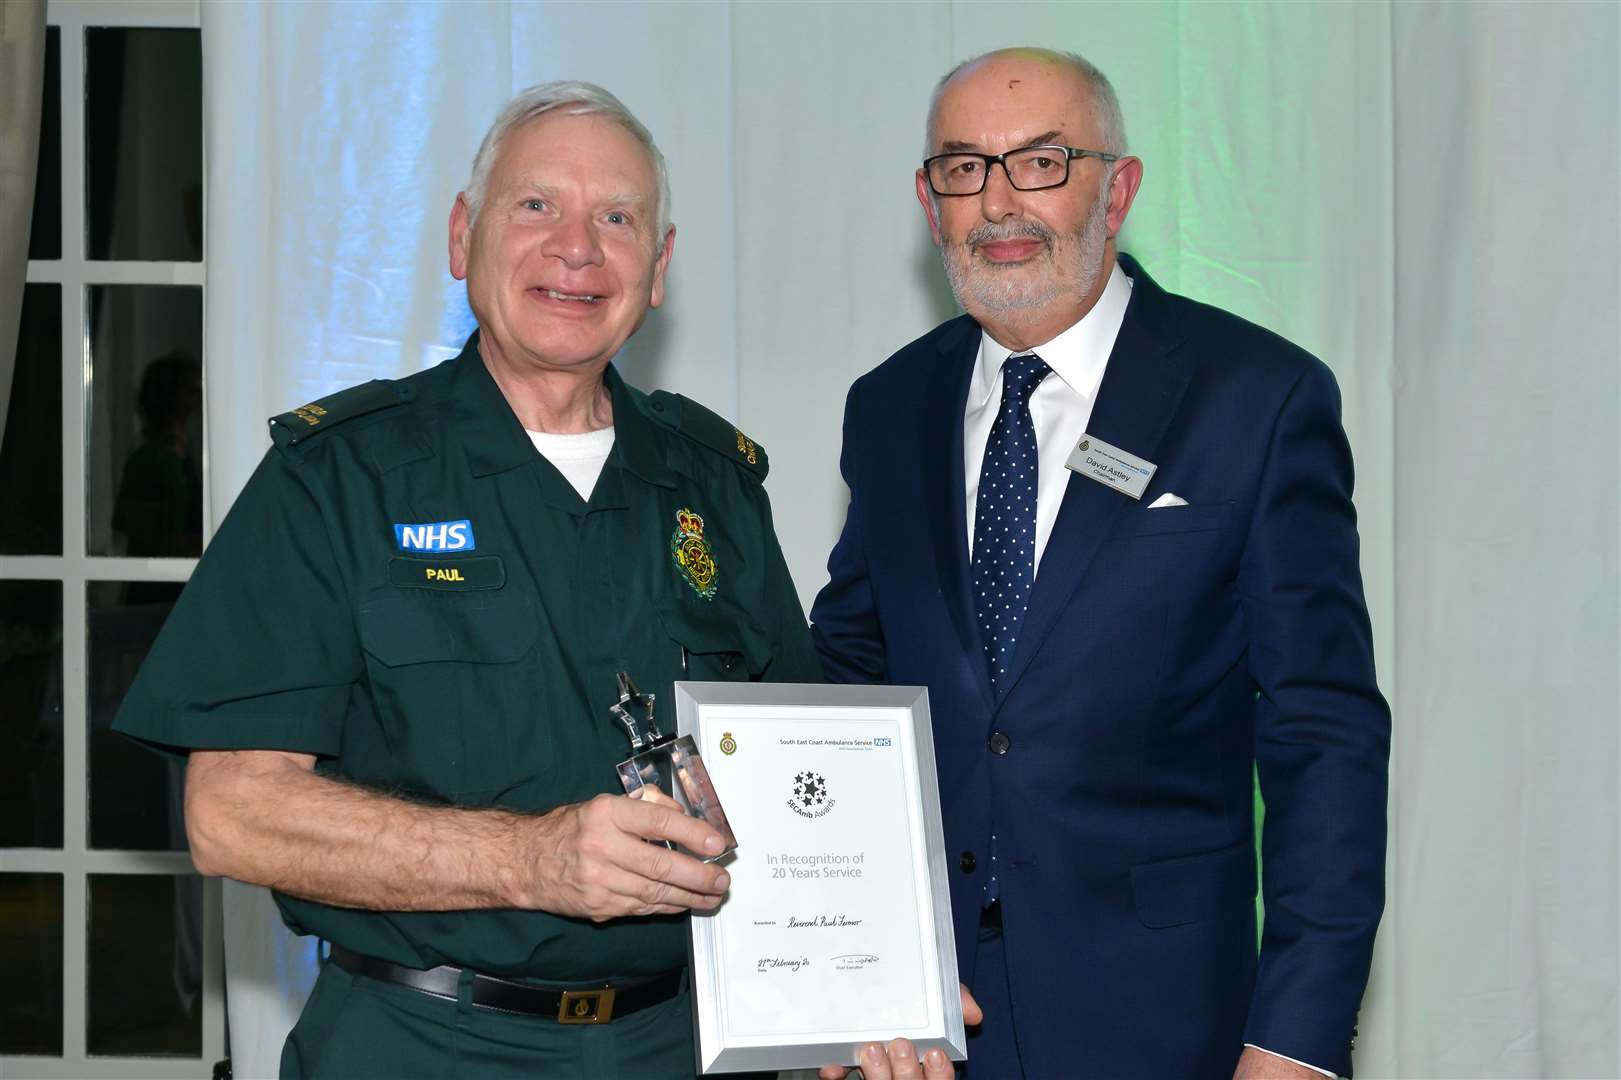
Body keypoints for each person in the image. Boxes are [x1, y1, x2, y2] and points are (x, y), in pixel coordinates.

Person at [114, 81, 824, 1079]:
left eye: (617, 217)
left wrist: (872, 986)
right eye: (536, 205)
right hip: (420, 1040)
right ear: (462, 237)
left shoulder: (714, 485)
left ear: (657, 267)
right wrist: (531, 859)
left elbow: (808, 787)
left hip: (684, 1040)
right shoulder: (338, 477)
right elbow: (231, 815)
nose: (577, 246)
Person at [810, 48, 1390, 1080]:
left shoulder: (1256, 399)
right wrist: (841, 960)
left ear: (1115, 189)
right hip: (926, 1023)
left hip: (1169, 1025)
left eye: (1041, 162)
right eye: (962, 168)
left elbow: (1324, 736)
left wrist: (1294, 1041)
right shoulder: (889, 407)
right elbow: (848, 684)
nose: (998, 202)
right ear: (927, 200)